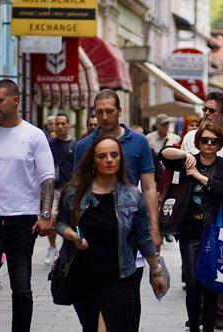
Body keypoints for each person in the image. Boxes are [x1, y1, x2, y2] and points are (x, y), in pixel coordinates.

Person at [56, 135, 165, 331]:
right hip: (83, 276)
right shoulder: (73, 193)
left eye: (114, 155)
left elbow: (143, 236)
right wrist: (72, 235)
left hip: (120, 276)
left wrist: (156, 271)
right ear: (93, 161)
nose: (109, 160)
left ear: (121, 159)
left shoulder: (132, 196)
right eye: (102, 156)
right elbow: (61, 223)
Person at [74, 89, 161, 332]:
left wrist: (154, 228)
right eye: (99, 112)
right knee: (93, 302)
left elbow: (149, 186)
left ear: (120, 111)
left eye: (109, 111)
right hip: (95, 232)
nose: (104, 116)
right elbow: (77, 192)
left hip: (131, 229)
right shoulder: (84, 147)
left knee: (128, 298)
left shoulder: (139, 143)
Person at [0, 79, 55, 332]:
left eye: (0, 100)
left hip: (23, 220)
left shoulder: (33, 135)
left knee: (21, 287)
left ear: (15, 100)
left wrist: (45, 215)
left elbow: (47, 177)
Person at [181, 91, 223, 329]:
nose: (207, 114)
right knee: (193, 280)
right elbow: (178, 173)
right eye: (205, 109)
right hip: (192, 220)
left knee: (219, 272)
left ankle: (220, 314)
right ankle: (196, 316)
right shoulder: (190, 137)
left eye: (212, 110)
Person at [160, 123, 223, 332]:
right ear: (198, 142)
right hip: (189, 231)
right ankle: (194, 326)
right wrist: (184, 155)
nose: (209, 144)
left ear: (220, 144)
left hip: (215, 232)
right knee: (193, 284)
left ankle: (209, 328)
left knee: (210, 285)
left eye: (214, 140)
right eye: (205, 140)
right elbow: (162, 155)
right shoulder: (187, 160)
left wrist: (200, 177)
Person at [45, 113, 77, 265]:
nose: (60, 126)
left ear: (69, 125)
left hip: (69, 189)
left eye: (63, 123)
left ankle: (65, 248)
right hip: (53, 188)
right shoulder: (49, 144)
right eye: (57, 123)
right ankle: (52, 247)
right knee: (50, 219)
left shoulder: (75, 145)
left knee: (67, 220)